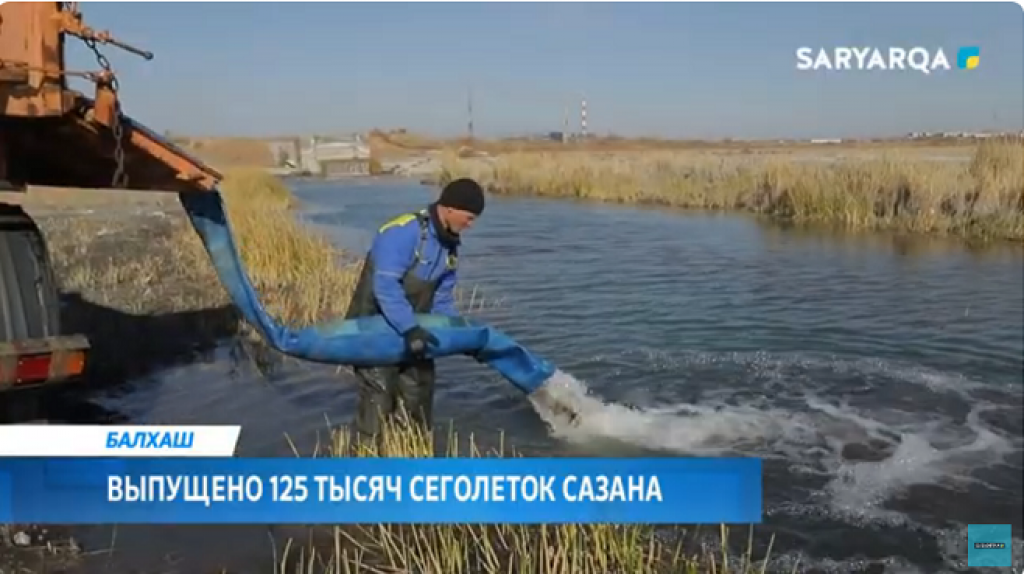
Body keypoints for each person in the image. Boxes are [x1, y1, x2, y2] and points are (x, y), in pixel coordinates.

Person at [343, 177, 486, 450]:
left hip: (415, 330)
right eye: (469, 217)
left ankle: (415, 457)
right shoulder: (402, 232)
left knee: (419, 391)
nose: (471, 224)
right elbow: (385, 287)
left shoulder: (450, 247)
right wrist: (409, 328)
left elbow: (442, 297)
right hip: (373, 327)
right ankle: (366, 464)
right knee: (379, 396)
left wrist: (456, 332)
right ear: (450, 208)